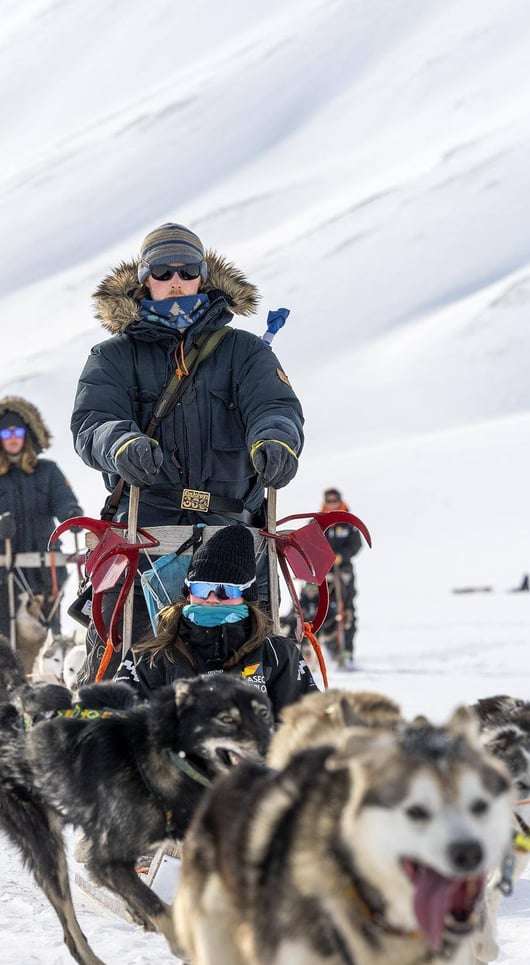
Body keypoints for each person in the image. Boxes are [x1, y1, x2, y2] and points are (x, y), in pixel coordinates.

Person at [70, 221, 305, 677]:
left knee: (256, 671)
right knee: (120, 668)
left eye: (186, 269)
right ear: (144, 280)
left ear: (203, 275)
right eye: (162, 271)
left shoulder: (245, 352)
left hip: (233, 533)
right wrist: (120, 443)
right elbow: (91, 422)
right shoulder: (112, 356)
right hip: (146, 532)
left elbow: (275, 406)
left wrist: (276, 440)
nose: (175, 279)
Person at [114, 525, 318, 722]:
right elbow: (119, 726)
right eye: (201, 589)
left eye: (225, 591)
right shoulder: (151, 658)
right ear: (189, 593)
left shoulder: (278, 655)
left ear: (245, 595)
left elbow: (308, 728)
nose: (212, 598)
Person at [0, 396, 83, 634]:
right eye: (6, 434)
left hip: (44, 570)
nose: (12, 439)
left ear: (27, 434)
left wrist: (71, 515)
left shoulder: (47, 471)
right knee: (2, 639)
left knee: (48, 638)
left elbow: (63, 499)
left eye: (17, 432)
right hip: (1, 570)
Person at [316, 486, 363, 662]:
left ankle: (346, 650)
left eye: (335, 500)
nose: (332, 504)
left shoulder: (348, 521)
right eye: (329, 501)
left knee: (347, 607)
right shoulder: (318, 521)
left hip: (343, 568)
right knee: (318, 606)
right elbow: (311, 543)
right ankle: (319, 650)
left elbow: (356, 544)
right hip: (322, 570)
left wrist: (342, 556)